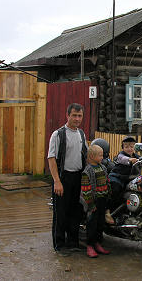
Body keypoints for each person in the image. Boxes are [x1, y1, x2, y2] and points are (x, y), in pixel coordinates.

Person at [47, 103, 87, 256]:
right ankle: (59, 245)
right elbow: (51, 158)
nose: (77, 119)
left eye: (80, 116)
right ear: (67, 116)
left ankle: (73, 242)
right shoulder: (58, 134)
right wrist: (57, 181)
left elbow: (85, 155)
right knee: (60, 213)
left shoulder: (81, 134)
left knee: (75, 212)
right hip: (62, 178)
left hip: (77, 177)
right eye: (74, 115)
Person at [108, 136, 142, 212]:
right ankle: (109, 211)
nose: (129, 149)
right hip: (117, 177)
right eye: (126, 147)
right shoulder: (120, 155)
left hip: (129, 180)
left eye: (131, 146)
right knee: (115, 189)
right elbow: (123, 159)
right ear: (123, 148)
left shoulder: (137, 157)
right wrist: (130, 160)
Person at [81, 144, 112, 258]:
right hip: (94, 201)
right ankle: (90, 245)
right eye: (100, 155)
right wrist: (90, 204)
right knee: (92, 223)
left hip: (103, 199)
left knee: (100, 223)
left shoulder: (102, 167)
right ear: (92, 156)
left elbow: (106, 180)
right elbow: (86, 189)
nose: (102, 157)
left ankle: (98, 243)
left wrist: (109, 191)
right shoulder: (87, 171)